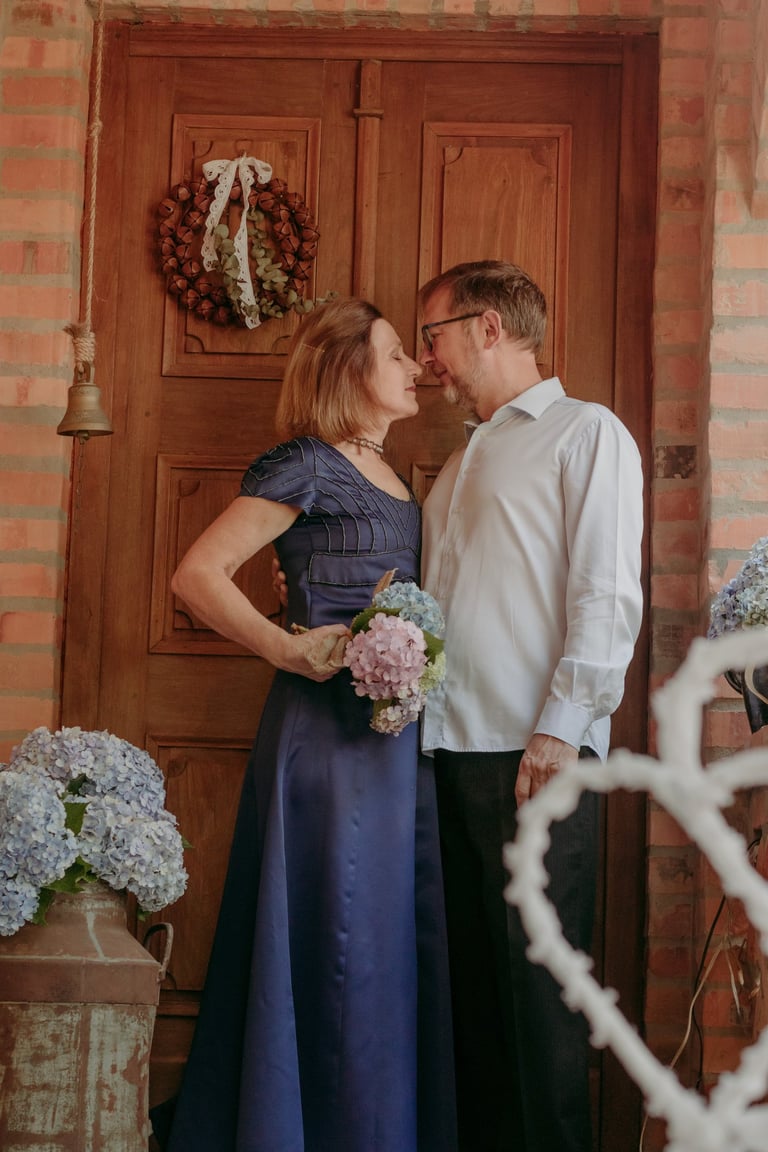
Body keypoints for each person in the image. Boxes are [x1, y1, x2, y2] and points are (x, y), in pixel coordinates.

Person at [153, 298, 457, 1152]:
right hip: (323, 741)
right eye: (395, 354)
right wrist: (284, 648)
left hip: (394, 746)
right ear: (347, 371)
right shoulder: (305, 463)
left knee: (381, 947)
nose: (415, 368)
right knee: (333, 934)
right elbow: (197, 575)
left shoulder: (395, 472)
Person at [417, 260, 644, 1152]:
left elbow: (607, 594)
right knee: (472, 1000)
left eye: (432, 336)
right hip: (445, 755)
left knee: (540, 1001)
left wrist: (560, 730)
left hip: (533, 756)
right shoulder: (459, 459)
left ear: (488, 327)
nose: (427, 358)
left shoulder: (586, 433)